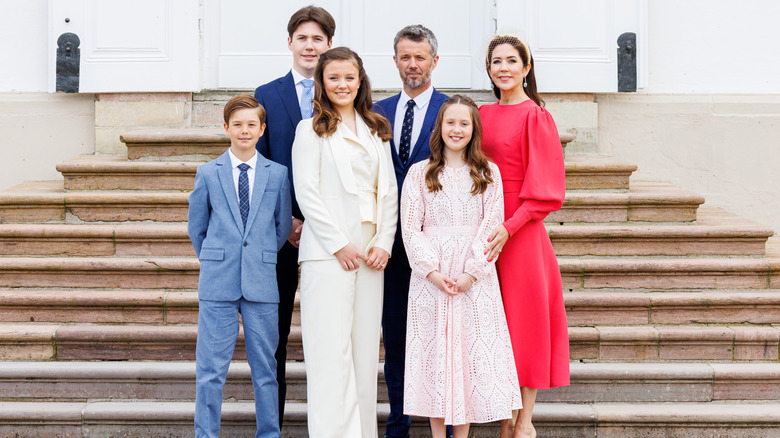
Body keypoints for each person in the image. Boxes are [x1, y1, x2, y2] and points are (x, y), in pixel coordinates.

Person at [400, 94, 522, 438]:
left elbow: (491, 225)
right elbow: (411, 227)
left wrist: (472, 271)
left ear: (474, 130)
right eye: (450, 122)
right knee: (437, 356)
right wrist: (431, 271)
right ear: (440, 127)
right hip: (432, 279)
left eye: (464, 123)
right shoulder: (419, 173)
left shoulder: (487, 172)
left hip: (474, 277)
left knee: (466, 356)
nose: (456, 129)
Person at [291, 47, 398, 438]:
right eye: (333, 77)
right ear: (322, 82)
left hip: (371, 257)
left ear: (360, 81)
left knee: (365, 355)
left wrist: (384, 242)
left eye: (349, 77)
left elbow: (387, 191)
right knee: (330, 357)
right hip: (328, 256)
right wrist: (339, 245)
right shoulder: (310, 129)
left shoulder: (375, 128)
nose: (342, 84)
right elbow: (307, 192)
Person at [480, 34, 570, 438]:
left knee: (525, 323)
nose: (503, 68)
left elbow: (547, 191)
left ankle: (524, 422)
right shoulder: (480, 113)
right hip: (483, 230)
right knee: (492, 324)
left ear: (526, 68)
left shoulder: (537, 116)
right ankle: (503, 416)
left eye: (511, 61)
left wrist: (509, 227)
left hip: (521, 234)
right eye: (496, 61)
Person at [188, 95, 292, 438]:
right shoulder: (208, 173)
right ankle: (206, 433)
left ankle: (269, 433)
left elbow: (280, 227)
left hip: (262, 281)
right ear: (226, 128)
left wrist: (259, 253)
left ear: (262, 130)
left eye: (251, 124)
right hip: (219, 280)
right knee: (211, 369)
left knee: (266, 368)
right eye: (237, 125)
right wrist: (217, 257)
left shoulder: (277, 175)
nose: (244, 130)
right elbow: (197, 227)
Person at [253, 5, 335, 427]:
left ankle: (332, 423)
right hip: (281, 235)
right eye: (302, 38)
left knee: (330, 332)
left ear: (328, 46)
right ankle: (272, 424)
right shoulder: (266, 94)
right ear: (289, 43)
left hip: (332, 235)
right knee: (275, 335)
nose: (309, 45)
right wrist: (286, 222)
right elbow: (260, 165)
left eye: (317, 39)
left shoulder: (342, 92)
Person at [373, 24, 449, 438]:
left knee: (443, 336)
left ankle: (451, 422)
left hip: (437, 247)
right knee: (396, 336)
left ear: (434, 61)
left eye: (420, 57)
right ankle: (398, 421)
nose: (413, 64)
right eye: (405, 56)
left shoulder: (451, 112)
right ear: (396, 60)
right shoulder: (377, 111)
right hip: (389, 246)